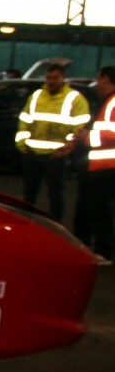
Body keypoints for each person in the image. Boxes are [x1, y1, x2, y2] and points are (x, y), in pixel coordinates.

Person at [15, 64, 91, 221]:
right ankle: (28, 223)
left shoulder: (74, 99)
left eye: (55, 78)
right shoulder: (36, 96)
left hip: (55, 156)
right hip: (32, 153)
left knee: (55, 195)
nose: (51, 81)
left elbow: (80, 128)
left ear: (63, 78)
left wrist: (66, 149)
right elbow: (24, 120)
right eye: (48, 78)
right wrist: (22, 145)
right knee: (29, 193)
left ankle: (55, 227)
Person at [72, 65, 115, 264]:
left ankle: (104, 251)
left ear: (106, 79)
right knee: (90, 209)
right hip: (97, 166)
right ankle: (89, 247)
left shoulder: (112, 102)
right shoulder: (106, 102)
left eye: (98, 78)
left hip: (105, 166)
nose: (96, 83)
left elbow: (111, 133)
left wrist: (89, 138)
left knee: (101, 211)